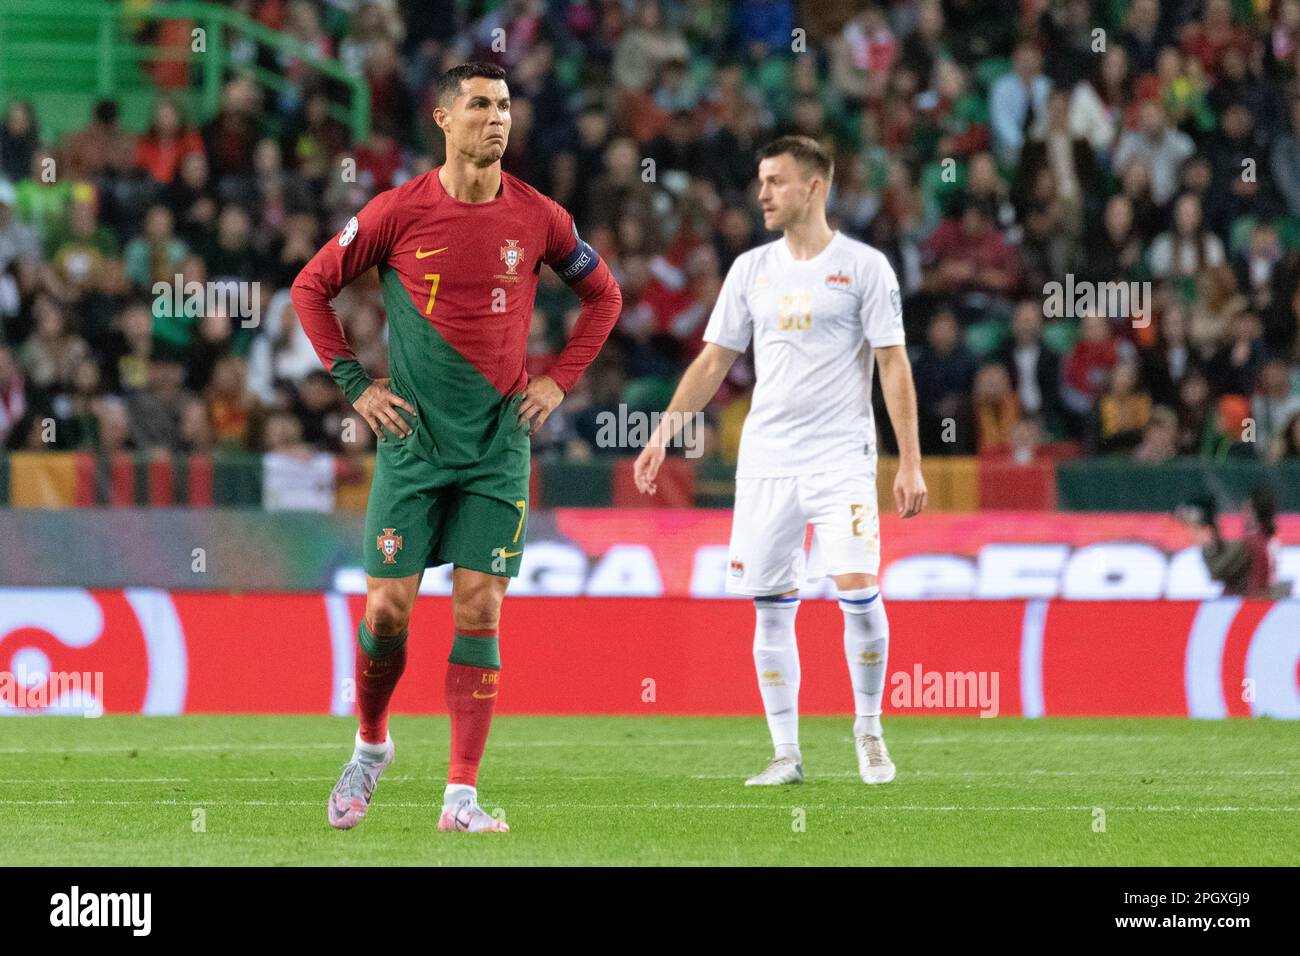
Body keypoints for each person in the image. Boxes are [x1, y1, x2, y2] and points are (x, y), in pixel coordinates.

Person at [290, 63, 622, 833]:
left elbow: (604, 295)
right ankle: (371, 748)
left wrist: (560, 381)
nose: (496, 117)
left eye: (505, 104)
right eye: (479, 105)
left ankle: (460, 798)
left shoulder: (539, 217)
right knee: (389, 606)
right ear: (443, 118)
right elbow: (312, 286)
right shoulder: (397, 211)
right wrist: (357, 385)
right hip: (412, 445)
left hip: (499, 447)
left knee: (479, 608)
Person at [633, 135, 927, 787]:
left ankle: (870, 731)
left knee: (857, 587)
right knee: (771, 606)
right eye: (760, 181)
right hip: (767, 459)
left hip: (842, 458)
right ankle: (786, 755)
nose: (761, 193)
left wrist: (909, 460)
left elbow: (892, 363)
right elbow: (714, 361)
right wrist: (663, 434)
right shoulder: (750, 271)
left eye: (775, 181)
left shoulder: (864, 268)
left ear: (814, 188)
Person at [1177, 487, 1286, 598]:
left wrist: (1207, 542)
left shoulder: (1252, 542)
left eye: (1246, 509)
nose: (1243, 514)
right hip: (1260, 599)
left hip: (1246, 602)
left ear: (1253, 512)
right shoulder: (1268, 540)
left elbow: (1216, 571)